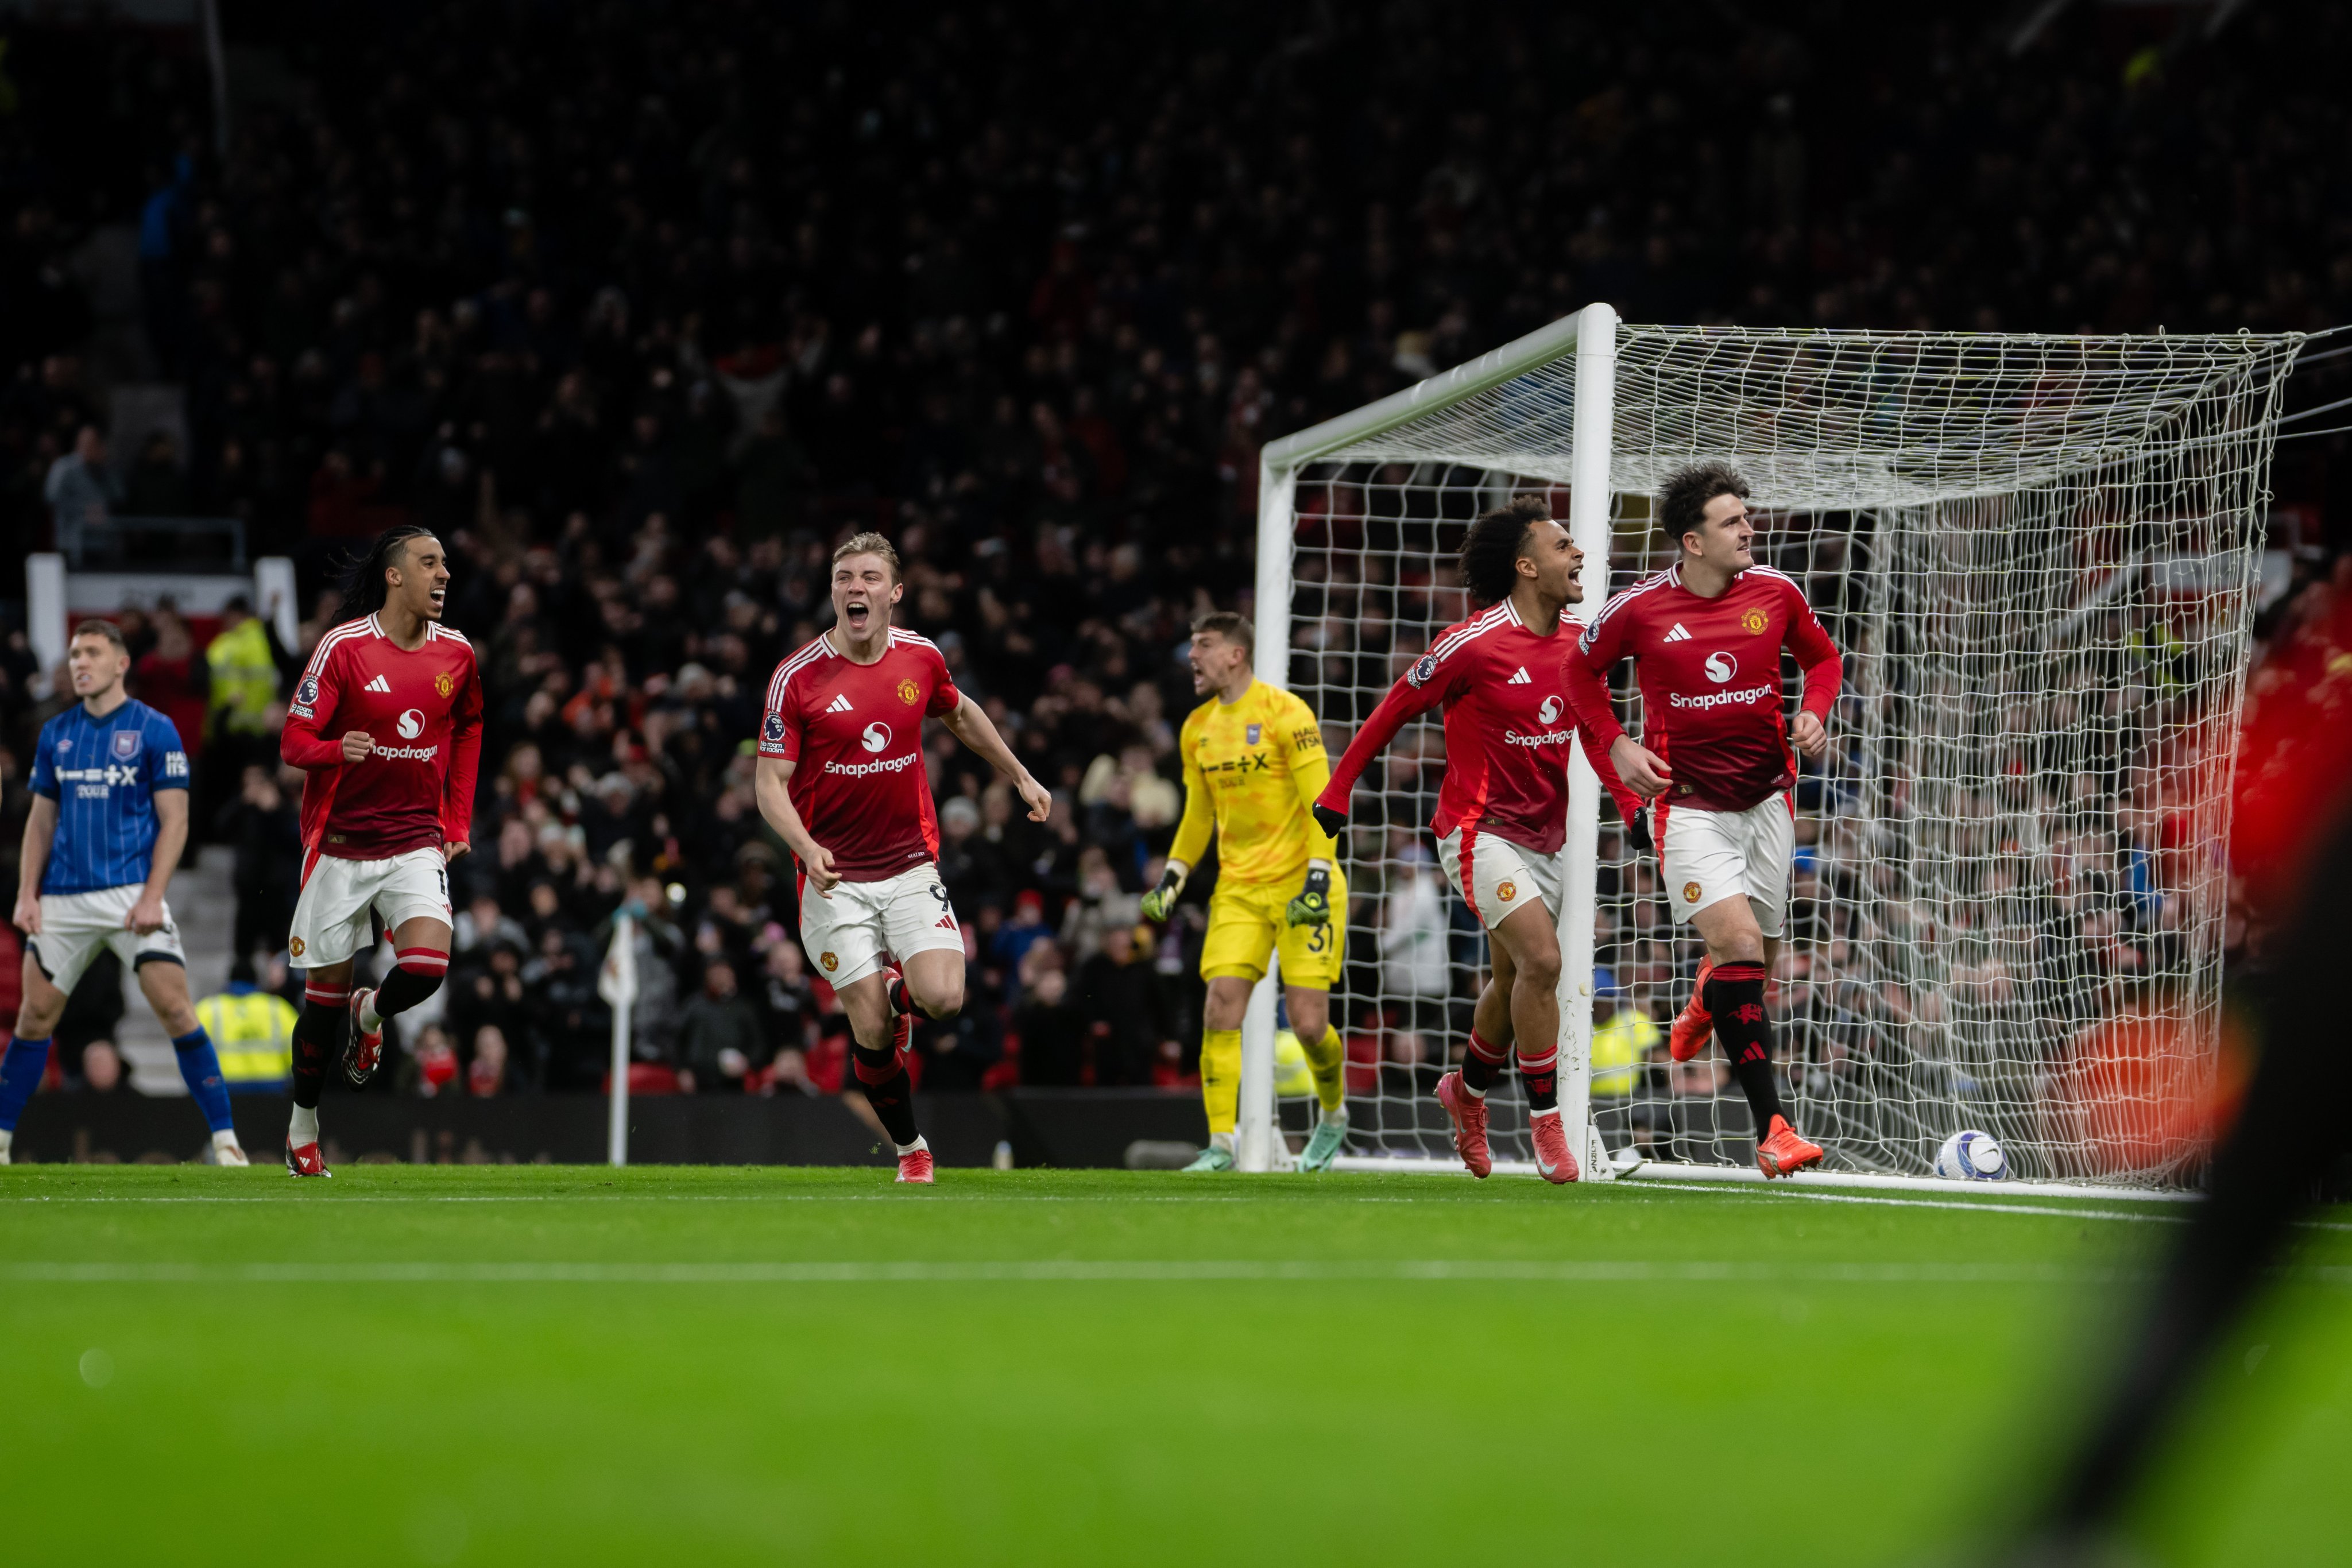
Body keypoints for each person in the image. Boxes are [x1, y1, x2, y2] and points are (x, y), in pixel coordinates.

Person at [1315, 494, 1625, 1183]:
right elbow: (1392, 709)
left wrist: (1630, 803)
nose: (1578, 554)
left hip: (1550, 837)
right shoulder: (1472, 643)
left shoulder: (1582, 641)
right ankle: (1546, 1123)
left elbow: (1596, 735)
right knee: (1544, 962)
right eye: (1562, 545)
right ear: (1525, 567)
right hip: (1475, 831)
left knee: (1513, 979)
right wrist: (1338, 792)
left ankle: (1466, 1093)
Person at [1561, 461, 1838, 1179]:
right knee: (1742, 947)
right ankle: (1774, 1130)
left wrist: (1813, 711)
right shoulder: (1639, 608)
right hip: (1685, 809)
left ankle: (1702, 1005)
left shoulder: (1775, 593)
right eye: (1731, 521)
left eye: (1746, 516)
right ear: (1691, 541)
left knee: (1755, 965)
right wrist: (1617, 744)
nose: (1749, 528)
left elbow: (1824, 659)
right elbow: (1575, 674)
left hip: (1769, 803)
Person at [753, 532, 1051, 1184]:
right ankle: (911, 1146)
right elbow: (768, 783)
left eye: (867, 577)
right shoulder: (796, 678)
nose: (854, 588)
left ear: (894, 592)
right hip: (832, 878)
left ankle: (903, 989)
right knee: (870, 1022)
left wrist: (1020, 775)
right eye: (843, 578)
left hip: (910, 862)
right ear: (833, 591)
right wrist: (805, 846)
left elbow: (961, 713)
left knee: (943, 999)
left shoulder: (920, 658)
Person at [277, 525, 483, 1175]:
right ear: (395, 575)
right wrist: (339, 749)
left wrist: (456, 819)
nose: (443, 574)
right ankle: (303, 1128)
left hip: (416, 841)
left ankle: (375, 1010)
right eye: (429, 563)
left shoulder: (457, 654)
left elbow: (471, 727)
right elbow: (293, 741)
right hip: (340, 847)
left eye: (446, 564)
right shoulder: (344, 648)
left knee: (425, 965)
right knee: (321, 1009)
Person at [1, 620, 246, 1164]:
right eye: (73, 654)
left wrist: (153, 895)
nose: (78, 663)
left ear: (120, 663)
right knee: (34, 1018)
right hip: (64, 896)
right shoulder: (55, 733)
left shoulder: (155, 729)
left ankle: (226, 1140)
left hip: (131, 891)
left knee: (176, 1009)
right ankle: (1, 1141)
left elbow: (176, 821)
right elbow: (40, 823)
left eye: (91, 652)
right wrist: (27, 893)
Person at [1138, 609, 1349, 1171]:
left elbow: (1320, 802)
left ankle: (1333, 1115)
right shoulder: (1196, 728)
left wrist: (1319, 877)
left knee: (1307, 1022)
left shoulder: (1287, 714)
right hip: (1239, 889)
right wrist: (1173, 877)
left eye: (1204, 645)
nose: (1193, 656)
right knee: (1219, 1009)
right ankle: (1220, 1144)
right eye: (1192, 645)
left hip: (1306, 883)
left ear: (1235, 654)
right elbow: (1197, 817)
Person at [194, 957, 299, 1094]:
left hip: (223, 1088)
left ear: (230, 980)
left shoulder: (207, 1009)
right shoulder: (278, 1008)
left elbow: (192, 1053)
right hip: (272, 1088)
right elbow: (298, 1050)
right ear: (256, 981)